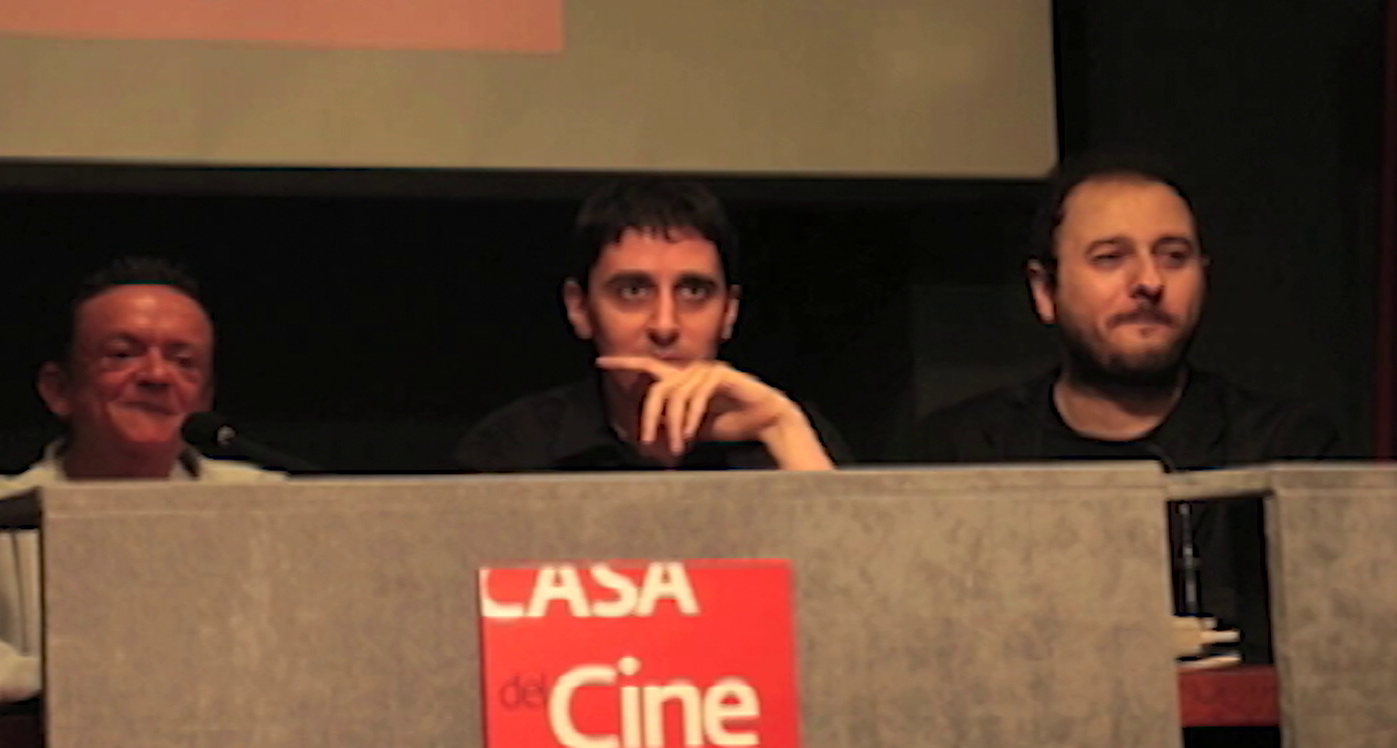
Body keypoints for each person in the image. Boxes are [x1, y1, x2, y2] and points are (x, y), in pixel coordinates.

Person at [0, 256, 280, 710]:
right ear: (59, 389)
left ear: (204, 398)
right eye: (122, 355)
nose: (156, 376)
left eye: (184, 362)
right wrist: (61, 676)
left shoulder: (270, 508)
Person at [911, 154, 1340, 469]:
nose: (1149, 282)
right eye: (1110, 258)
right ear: (1045, 291)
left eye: (1173, 256)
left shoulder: (1283, 451)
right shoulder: (965, 453)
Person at [455, 179, 843, 473]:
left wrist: (780, 428)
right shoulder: (514, 447)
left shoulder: (787, 430)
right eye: (633, 291)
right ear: (580, 309)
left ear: (729, 312)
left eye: (693, 291)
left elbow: (854, 556)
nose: (664, 325)